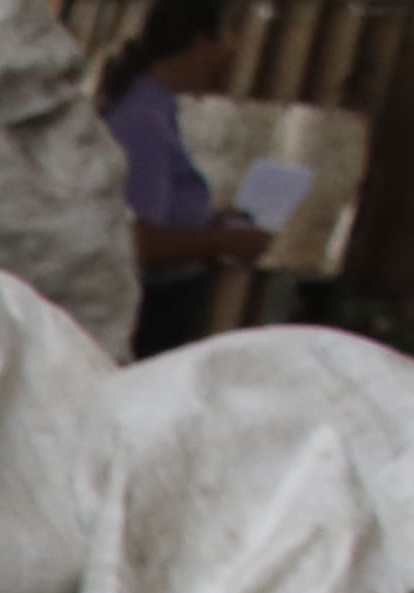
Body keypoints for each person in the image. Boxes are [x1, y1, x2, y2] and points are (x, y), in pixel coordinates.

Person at [101, 0, 274, 357]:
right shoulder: (142, 120)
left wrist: (212, 223)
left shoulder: (159, 110)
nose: (233, 48)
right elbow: (136, 241)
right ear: (199, 45)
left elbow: (161, 213)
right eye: (225, 36)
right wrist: (219, 242)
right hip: (148, 314)